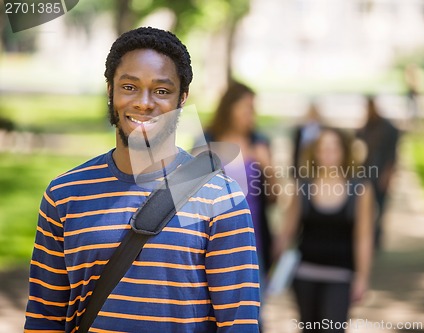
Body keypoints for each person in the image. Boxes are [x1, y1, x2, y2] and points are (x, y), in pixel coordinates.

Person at [24, 27, 260, 333]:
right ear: (110, 91)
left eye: (161, 91)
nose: (144, 102)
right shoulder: (65, 195)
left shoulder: (219, 199)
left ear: (182, 98)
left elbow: (239, 325)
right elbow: (44, 318)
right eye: (129, 87)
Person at [275, 127, 374, 333]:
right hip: (305, 276)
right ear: (315, 152)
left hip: (340, 276)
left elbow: (363, 238)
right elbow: (287, 231)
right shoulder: (303, 187)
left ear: (344, 151)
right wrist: (272, 267)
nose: (328, 153)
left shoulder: (360, 189)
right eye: (323, 148)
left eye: (334, 148)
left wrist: (362, 278)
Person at [202, 81, 275, 279]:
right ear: (230, 108)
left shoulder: (259, 142)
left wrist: (268, 168)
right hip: (213, 240)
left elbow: (274, 198)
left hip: (254, 240)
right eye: (247, 107)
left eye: (253, 109)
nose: (251, 114)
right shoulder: (206, 141)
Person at [357, 96, 399, 250]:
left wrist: (388, 174)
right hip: (366, 175)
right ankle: (368, 236)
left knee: (380, 208)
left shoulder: (388, 128)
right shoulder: (365, 128)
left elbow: (392, 155)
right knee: (366, 208)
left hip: (380, 173)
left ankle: (377, 238)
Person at [291, 100, 322, 175]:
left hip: (316, 160)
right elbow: (296, 150)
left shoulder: (321, 130)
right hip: (303, 160)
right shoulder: (301, 130)